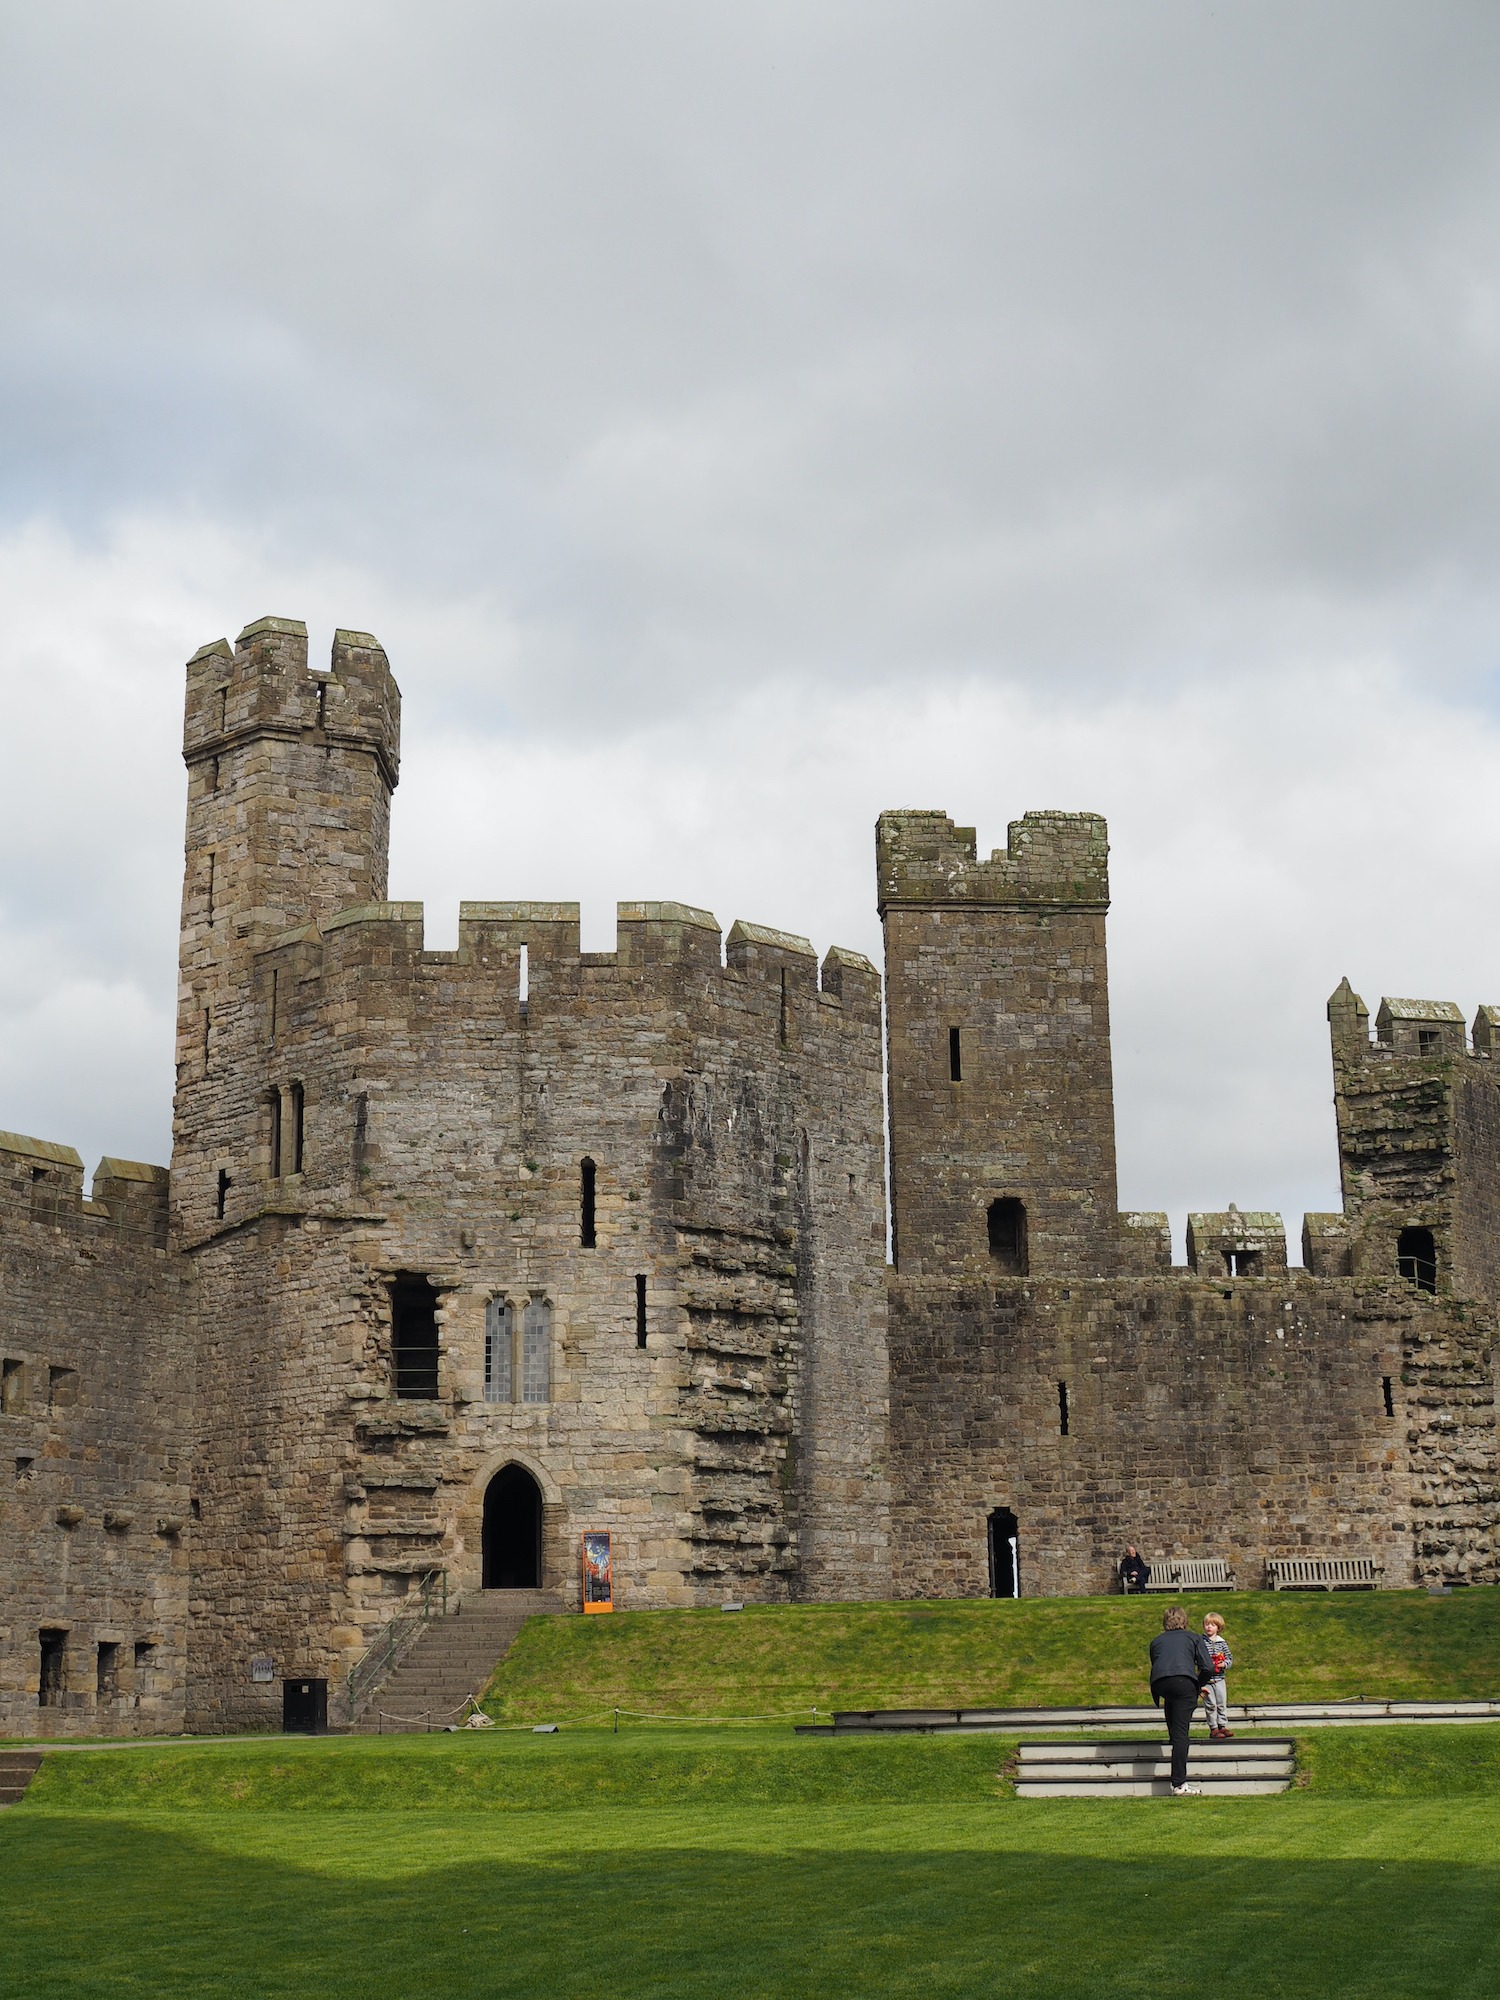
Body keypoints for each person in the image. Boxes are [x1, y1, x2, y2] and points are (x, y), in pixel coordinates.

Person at [1148, 1605, 1213, 1795]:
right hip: (1184, 1683)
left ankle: (1174, 1745)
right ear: (1184, 1621)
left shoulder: (1156, 1641)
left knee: (1173, 1716)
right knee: (1181, 1735)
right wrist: (1197, 1685)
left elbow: (1160, 1666)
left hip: (1161, 1683)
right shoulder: (1194, 1638)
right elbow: (1207, 1667)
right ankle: (1179, 1783)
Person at [1200, 1613, 1233, 1740]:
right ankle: (1213, 1727)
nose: (1209, 1627)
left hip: (1219, 1678)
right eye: (1207, 1624)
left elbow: (1229, 1658)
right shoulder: (1201, 1642)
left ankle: (1222, 1725)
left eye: (1212, 1625)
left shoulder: (1222, 1643)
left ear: (1218, 1627)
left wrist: (1223, 1664)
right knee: (1210, 1704)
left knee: (1221, 1702)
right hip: (1206, 1679)